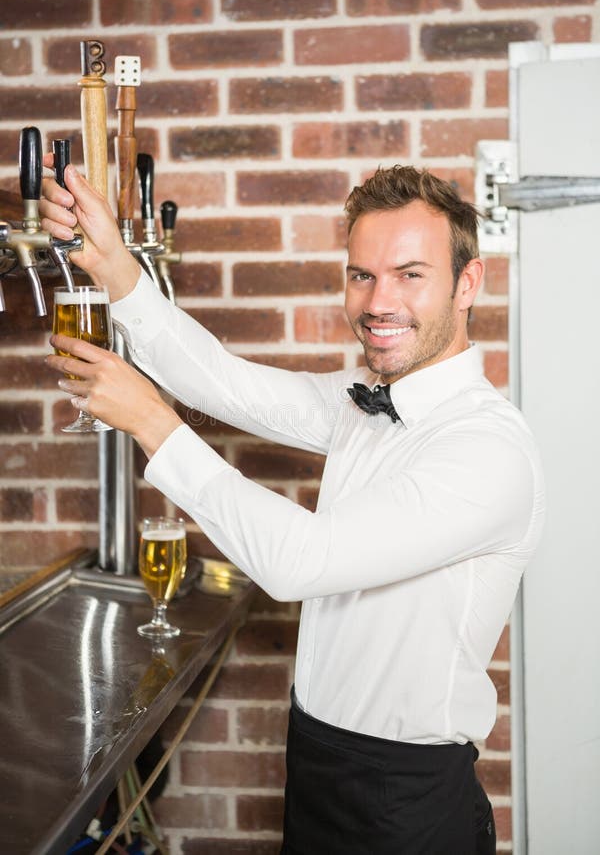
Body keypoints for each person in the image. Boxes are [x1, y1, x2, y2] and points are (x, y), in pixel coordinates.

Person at [41, 162, 545, 855]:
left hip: (406, 802)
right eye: (361, 275)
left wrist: (154, 422)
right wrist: (115, 266)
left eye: (409, 274)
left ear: (468, 283)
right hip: (316, 764)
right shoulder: (365, 400)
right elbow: (225, 383)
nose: (377, 301)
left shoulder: (488, 450)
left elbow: (303, 562)